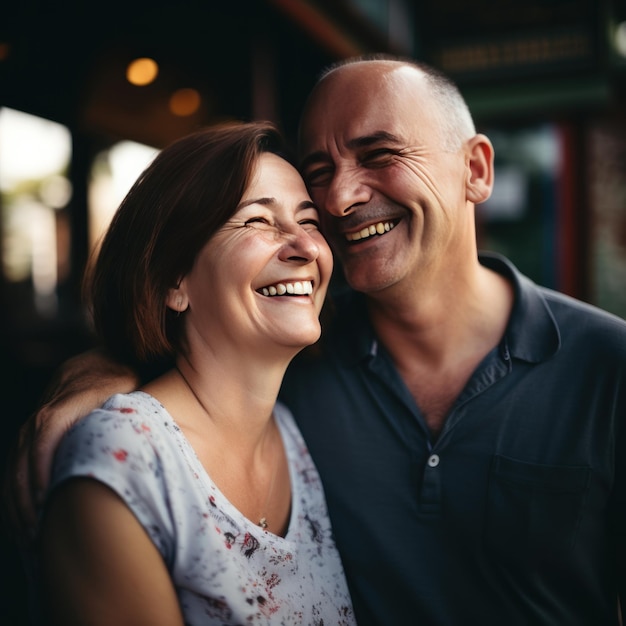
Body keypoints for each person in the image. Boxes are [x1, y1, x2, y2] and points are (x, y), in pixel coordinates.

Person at [7, 54, 626, 625]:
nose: (338, 196)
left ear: (475, 169)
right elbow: (187, 352)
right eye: (320, 172)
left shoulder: (609, 366)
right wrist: (96, 380)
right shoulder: (302, 357)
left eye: (380, 153)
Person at [19, 121, 356, 625]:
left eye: (309, 221)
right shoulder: (124, 464)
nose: (304, 246)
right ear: (174, 280)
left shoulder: (291, 430)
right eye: (257, 221)